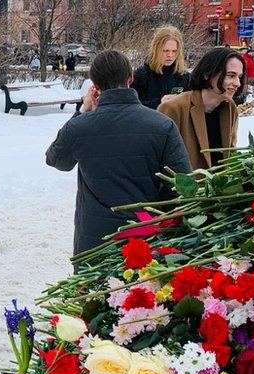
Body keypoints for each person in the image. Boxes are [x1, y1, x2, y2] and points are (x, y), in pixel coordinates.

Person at [46, 50, 191, 256]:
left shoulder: (79, 127)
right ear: (130, 78)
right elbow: (180, 185)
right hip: (145, 233)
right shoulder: (162, 125)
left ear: (94, 85)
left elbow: (56, 159)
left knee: (91, 287)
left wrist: (83, 112)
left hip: (94, 238)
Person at [158, 47, 244, 171]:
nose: (237, 83)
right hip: (184, 188)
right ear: (207, 74)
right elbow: (158, 161)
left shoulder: (230, 108)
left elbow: (230, 154)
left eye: (239, 77)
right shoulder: (173, 108)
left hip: (218, 188)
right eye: (231, 75)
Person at [131, 25, 190, 109]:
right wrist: (159, 103)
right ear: (156, 49)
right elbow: (132, 107)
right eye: (165, 51)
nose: (170, 55)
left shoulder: (184, 76)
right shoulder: (141, 75)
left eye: (174, 51)